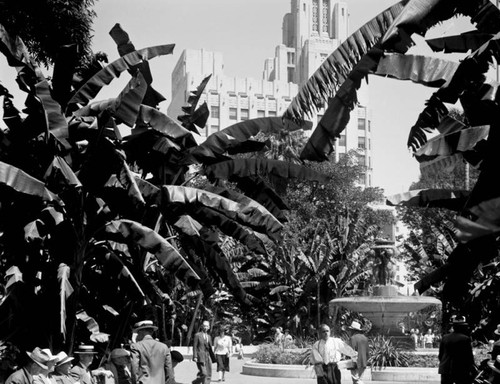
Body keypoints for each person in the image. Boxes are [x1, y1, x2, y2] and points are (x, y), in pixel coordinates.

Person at [130, 320, 175, 384]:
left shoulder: (136, 346)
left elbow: (134, 368)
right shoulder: (164, 347)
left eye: (138, 333)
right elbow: (169, 370)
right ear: (151, 332)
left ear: (141, 331)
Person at [438, 316, 475, 384]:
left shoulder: (445, 337)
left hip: (445, 368)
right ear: (462, 328)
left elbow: (440, 355)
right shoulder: (465, 339)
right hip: (460, 369)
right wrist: (471, 367)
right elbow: (469, 356)